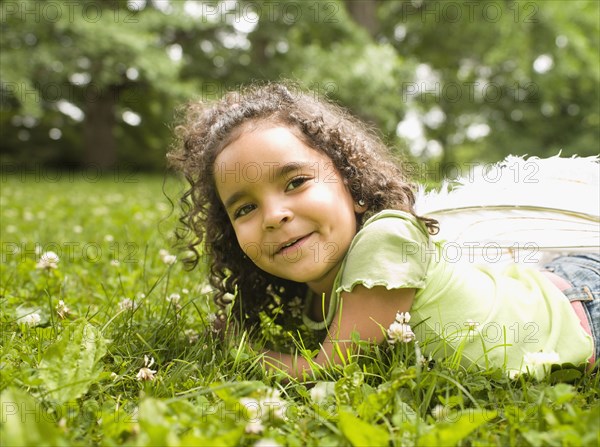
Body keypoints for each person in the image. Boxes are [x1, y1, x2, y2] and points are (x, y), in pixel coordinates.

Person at [168, 82, 598, 380]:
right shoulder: (313, 298)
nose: (274, 214)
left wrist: (244, 351)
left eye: (296, 182)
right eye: (245, 208)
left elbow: (326, 370)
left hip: (584, 310)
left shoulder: (385, 239)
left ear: (353, 189)